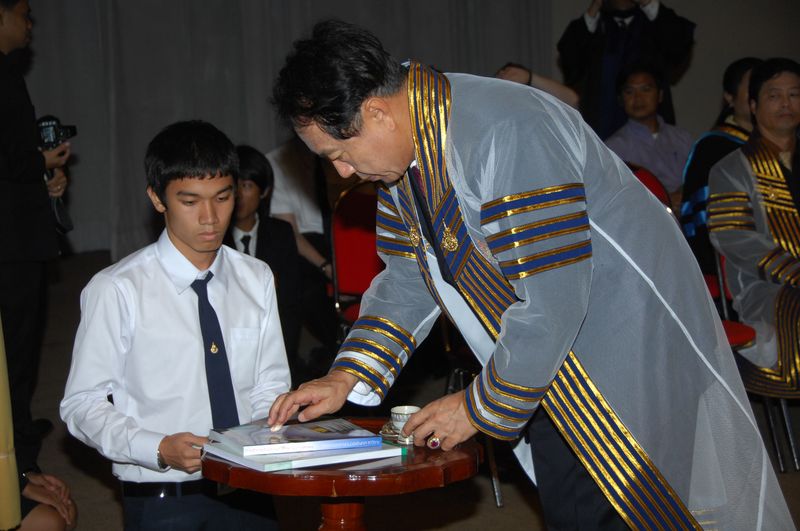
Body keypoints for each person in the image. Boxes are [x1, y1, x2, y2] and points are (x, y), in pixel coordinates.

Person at [267, 20, 792, 530]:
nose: (342, 172)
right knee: (574, 509)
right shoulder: (407, 154)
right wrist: (345, 375)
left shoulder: (506, 127)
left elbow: (553, 297)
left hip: (623, 345)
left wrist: (474, 408)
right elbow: (408, 276)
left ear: (376, 111)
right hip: (544, 358)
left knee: (631, 507)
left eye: (338, 154)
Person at [60, 121, 290, 530]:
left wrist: (263, 437)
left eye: (223, 197)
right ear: (157, 198)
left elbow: (269, 382)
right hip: (163, 492)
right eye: (190, 201)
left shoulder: (256, 277)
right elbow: (82, 404)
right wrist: (157, 448)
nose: (210, 217)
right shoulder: (118, 289)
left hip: (251, 486)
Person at [0, 0, 72, 523]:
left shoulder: (8, 73)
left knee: (21, 350)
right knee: (15, 350)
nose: (30, 24)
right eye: (24, 13)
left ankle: (21, 435)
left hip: (18, 232)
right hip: (10, 243)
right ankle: (17, 459)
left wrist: (44, 176)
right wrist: (38, 160)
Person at [708, 58, 800, 372]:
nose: (786, 103)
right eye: (774, 96)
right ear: (752, 105)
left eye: (794, 94)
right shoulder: (730, 169)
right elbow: (736, 239)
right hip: (764, 290)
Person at [557, 0, 695, 139]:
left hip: (653, 137)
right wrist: (596, 5)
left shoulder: (656, 24)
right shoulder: (594, 28)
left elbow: (680, 46)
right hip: (602, 129)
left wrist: (647, 2)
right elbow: (570, 62)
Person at [224, 144, 303, 381]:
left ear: (264, 191)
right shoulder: (216, 240)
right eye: (234, 186)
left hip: (274, 343)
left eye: (247, 186)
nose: (238, 194)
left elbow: (291, 303)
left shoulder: (280, 233)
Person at [682, 57, 762, 277]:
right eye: (752, 86)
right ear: (729, 96)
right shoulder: (713, 148)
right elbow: (703, 222)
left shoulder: (784, 147)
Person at [268, 136, 342, 364]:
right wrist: (326, 266)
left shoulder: (341, 151)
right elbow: (291, 235)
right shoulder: (279, 162)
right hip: (308, 245)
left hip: (343, 233)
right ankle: (337, 347)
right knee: (304, 286)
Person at [604, 63, 693, 209]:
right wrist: (664, 201)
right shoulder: (613, 148)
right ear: (620, 99)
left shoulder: (682, 138)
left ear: (660, 95)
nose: (638, 98)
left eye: (646, 89)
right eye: (629, 92)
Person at [495, 62, 579, 109]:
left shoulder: (540, 108)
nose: (503, 74)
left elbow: (573, 101)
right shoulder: (496, 112)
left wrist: (529, 77)